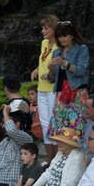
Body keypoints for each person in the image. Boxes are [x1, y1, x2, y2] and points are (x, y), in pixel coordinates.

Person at [46, 20, 91, 141]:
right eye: (59, 36)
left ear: (72, 35)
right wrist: (50, 69)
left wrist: (64, 63)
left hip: (77, 92)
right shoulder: (57, 52)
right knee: (59, 126)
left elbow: (81, 70)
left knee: (75, 125)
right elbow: (52, 78)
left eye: (64, 36)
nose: (62, 39)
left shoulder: (82, 49)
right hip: (60, 93)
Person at [31, 15, 60, 160]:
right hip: (41, 88)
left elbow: (58, 67)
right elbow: (44, 61)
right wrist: (37, 68)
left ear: (54, 29)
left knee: (53, 123)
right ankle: (49, 158)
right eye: (42, 28)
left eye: (46, 28)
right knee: (44, 124)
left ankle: (56, 157)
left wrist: (49, 73)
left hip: (52, 89)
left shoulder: (59, 46)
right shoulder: (44, 43)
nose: (43, 31)